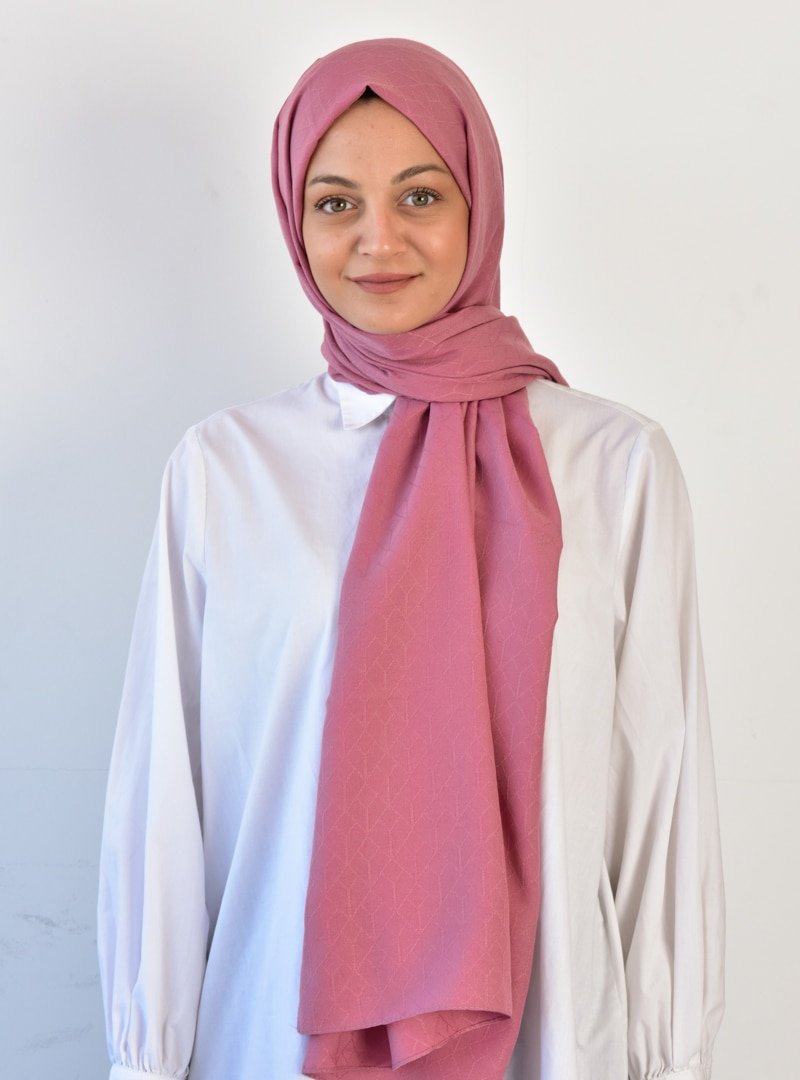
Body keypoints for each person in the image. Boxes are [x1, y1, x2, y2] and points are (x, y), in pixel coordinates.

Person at [97, 38, 725, 1080]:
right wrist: (146, 1054)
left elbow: (659, 792)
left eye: (420, 196)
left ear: (480, 202)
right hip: (272, 1039)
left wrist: (671, 1056)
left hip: (549, 1038)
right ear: (294, 222)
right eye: (335, 203)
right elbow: (164, 805)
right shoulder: (224, 470)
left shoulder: (613, 467)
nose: (377, 240)